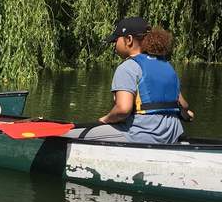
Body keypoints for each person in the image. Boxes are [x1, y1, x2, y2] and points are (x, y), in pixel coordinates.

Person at [65, 17, 194, 143]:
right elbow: (184, 105)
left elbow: (123, 109)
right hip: (171, 135)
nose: (114, 44)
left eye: (116, 40)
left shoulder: (128, 67)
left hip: (141, 134)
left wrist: (105, 119)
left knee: (70, 134)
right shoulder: (167, 66)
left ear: (129, 40)